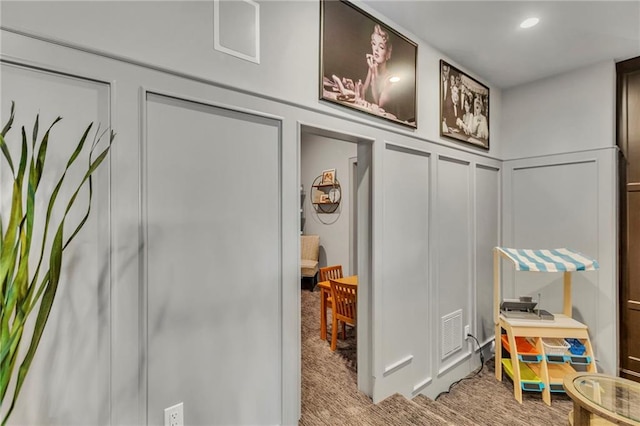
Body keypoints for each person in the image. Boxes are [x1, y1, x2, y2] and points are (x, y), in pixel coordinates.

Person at [362, 24, 396, 112]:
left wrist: (373, 73)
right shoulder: (373, 66)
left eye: (381, 47)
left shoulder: (390, 79)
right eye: (374, 44)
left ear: (388, 53)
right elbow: (363, 94)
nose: (376, 49)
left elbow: (378, 106)